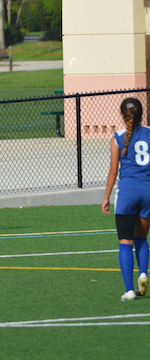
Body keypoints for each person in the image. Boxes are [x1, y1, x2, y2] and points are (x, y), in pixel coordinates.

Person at [102, 97, 150, 301]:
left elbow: (114, 172)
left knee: (125, 241)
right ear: (142, 114)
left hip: (127, 193)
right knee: (141, 238)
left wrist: (105, 198)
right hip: (148, 192)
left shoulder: (117, 137)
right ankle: (143, 273)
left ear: (122, 115)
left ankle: (129, 289)